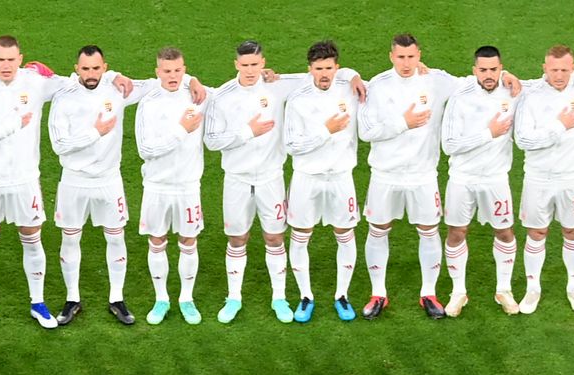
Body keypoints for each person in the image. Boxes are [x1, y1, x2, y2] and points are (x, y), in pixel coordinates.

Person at [359, 35, 517, 319]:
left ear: (419, 54)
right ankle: (378, 293)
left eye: (411, 57)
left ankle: (428, 293)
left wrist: (506, 75)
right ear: (391, 56)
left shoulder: (437, 81)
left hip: (423, 174)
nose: (406, 63)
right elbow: (366, 131)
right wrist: (402, 123)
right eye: (400, 57)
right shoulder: (378, 86)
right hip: (385, 173)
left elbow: (477, 79)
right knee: (379, 228)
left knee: (429, 230)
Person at [208, 41, 359, 324]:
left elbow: (324, 72)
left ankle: (280, 297)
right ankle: (234, 298)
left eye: (255, 64)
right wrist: (246, 132)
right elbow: (212, 140)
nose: (251, 70)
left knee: (275, 238)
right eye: (245, 64)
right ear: (236, 65)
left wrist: (352, 75)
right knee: (237, 238)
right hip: (237, 179)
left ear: (263, 63)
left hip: (271, 178)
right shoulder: (222, 95)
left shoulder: (279, 85)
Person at [0, 36, 91, 332]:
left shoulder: (35, 82)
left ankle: (38, 302)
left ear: (21, 58)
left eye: (11, 60)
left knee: (32, 236)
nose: (6, 65)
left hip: (25, 179)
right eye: (0, 59)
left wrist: (115, 78)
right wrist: (9, 126)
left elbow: (79, 79)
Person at [48, 45, 145, 326]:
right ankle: (72, 298)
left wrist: (191, 81)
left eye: (97, 68)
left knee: (115, 236)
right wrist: (96, 133)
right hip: (74, 181)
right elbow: (59, 145)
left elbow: (159, 83)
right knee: (70, 237)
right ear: (76, 68)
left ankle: (117, 298)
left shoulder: (118, 90)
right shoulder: (64, 97)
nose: (91, 74)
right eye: (85, 68)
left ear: (105, 67)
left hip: (108, 180)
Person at [514, 47, 574, 315]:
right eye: (554, 70)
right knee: (536, 233)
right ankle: (532, 288)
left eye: (565, 70)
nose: (559, 75)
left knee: (573, 231)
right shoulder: (531, 96)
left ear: (573, 68)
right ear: (544, 68)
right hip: (538, 178)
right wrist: (560, 126)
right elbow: (523, 139)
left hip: (572, 177)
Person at [283, 40, 363, 322]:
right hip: (307, 178)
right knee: (301, 236)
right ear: (310, 70)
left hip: (341, 177)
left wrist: (352, 75)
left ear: (337, 67)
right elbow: (291, 144)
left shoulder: (350, 90)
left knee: (345, 233)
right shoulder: (298, 99)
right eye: (319, 69)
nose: (324, 74)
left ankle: (342, 294)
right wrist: (325, 131)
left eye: (329, 68)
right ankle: (306, 296)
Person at [439, 46, 519, 318]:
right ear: (474, 70)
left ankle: (504, 290)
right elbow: (449, 145)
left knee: (505, 232)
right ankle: (458, 292)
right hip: (462, 179)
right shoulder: (459, 98)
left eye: (494, 69)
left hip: (496, 179)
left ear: (501, 68)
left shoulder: (512, 92)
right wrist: (489, 133)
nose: (488, 75)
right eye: (483, 70)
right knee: (456, 232)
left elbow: (552, 79)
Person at [134, 47, 210, 325]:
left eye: (178, 70)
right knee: (157, 242)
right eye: (167, 71)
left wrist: (194, 81)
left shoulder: (198, 96)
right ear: (158, 73)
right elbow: (145, 149)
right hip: (156, 186)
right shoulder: (149, 102)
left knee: (189, 242)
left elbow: (234, 89)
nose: (173, 76)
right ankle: (161, 299)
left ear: (184, 69)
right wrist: (181, 130)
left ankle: (186, 299)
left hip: (188, 186)